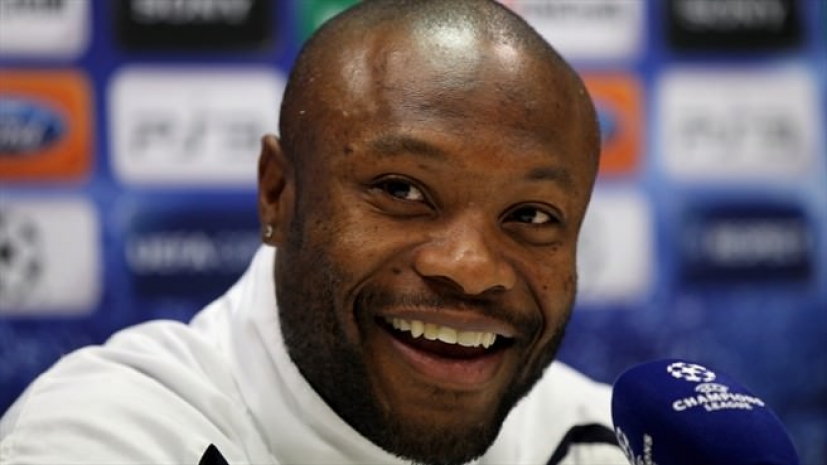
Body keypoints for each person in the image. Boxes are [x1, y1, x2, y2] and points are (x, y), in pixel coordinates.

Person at [0, 1, 628, 464]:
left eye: (531, 216)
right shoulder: (110, 433)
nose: (471, 267)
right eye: (401, 190)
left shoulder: (612, 444)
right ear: (277, 193)